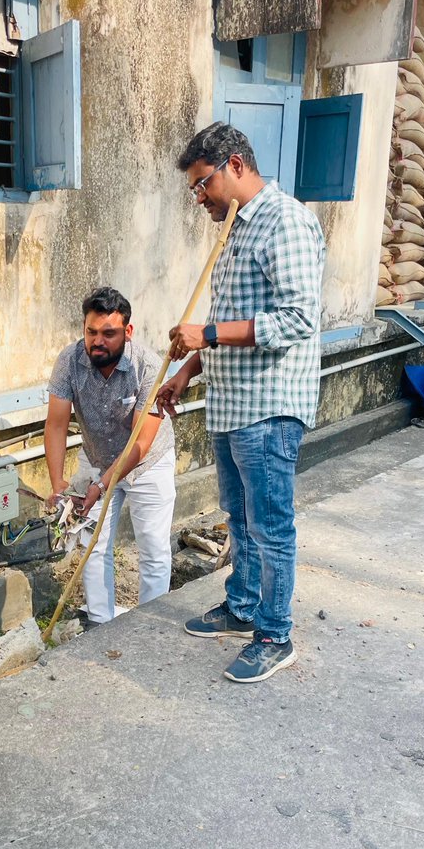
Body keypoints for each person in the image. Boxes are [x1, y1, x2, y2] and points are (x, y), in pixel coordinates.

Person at [157, 122, 325, 684]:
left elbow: (298, 319)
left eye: (202, 183)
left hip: (269, 407)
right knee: (240, 519)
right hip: (231, 406)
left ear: (234, 164)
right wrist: (186, 372)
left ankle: (275, 635)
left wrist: (204, 335)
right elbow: (232, 325)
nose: (198, 197)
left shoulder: (286, 222)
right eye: (193, 189)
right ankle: (243, 605)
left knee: (271, 526)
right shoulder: (234, 230)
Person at [45, 287, 176, 624]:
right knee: (93, 545)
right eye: (91, 332)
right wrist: (58, 481)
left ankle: (149, 627)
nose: (97, 341)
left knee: (153, 549)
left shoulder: (148, 367)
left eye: (109, 333)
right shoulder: (69, 361)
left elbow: (139, 443)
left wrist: (101, 486)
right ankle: (100, 624)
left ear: (127, 332)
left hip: (148, 463)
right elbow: (57, 424)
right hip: (96, 457)